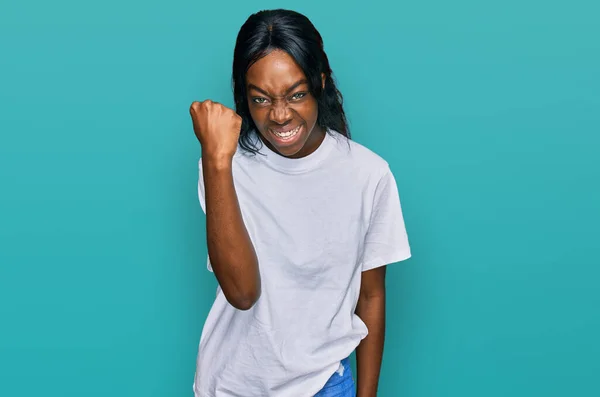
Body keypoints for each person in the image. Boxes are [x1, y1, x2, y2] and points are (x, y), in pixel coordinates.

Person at [189, 9, 411, 397]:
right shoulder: (225, 165)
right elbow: (242, 293)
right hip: (232, 385)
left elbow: (371, 295)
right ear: (244, 94)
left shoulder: (368, 175)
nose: (279, 115)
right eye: (260, 99)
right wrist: (216, 159)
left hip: (324, 384)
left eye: (296, 94)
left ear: (319, 83)